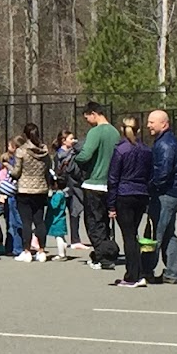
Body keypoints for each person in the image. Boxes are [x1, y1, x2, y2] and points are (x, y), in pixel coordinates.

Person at [106, 117, 153, 287]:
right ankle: (138, 272)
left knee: (129, 236)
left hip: (124, 194)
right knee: (133, 233)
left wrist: (111, 204)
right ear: (138, 130)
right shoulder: (146, 150)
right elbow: (150, 175)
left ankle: (133, 275)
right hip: (141, 194)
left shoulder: (120, 150)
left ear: (121, 129)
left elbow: (113, 178)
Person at [75, 103, 119, 269]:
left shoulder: (95, 132)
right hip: (110, 183)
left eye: (87, 117)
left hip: (94, 183)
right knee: (105, 222)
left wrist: (76, 157)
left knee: (93, 222)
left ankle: (103, 257)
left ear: (93, 113)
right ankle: (105, 252)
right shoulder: (115, 132)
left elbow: (85, 155)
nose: (87, 121)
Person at [146, 109, 177, 283]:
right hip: (171, 193)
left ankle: (146, 270)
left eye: (152, 122)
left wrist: (150, 187)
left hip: (165, 195)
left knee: (156, 234)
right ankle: (171, 272)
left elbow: (163, 173)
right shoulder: (165, 141)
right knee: (169, 233)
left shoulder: (166, 144)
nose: (148, 125)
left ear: (164, 124)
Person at [10, 125, 52, 261]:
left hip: (24, 189)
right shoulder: (44, 151)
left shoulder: (21, 151)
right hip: (41, 188)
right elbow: (48, 170)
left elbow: (17, 172)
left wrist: (10, 170)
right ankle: (41, 251)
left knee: (26, 222)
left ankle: (27, 251)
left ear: (25, 135)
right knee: (39, 221)